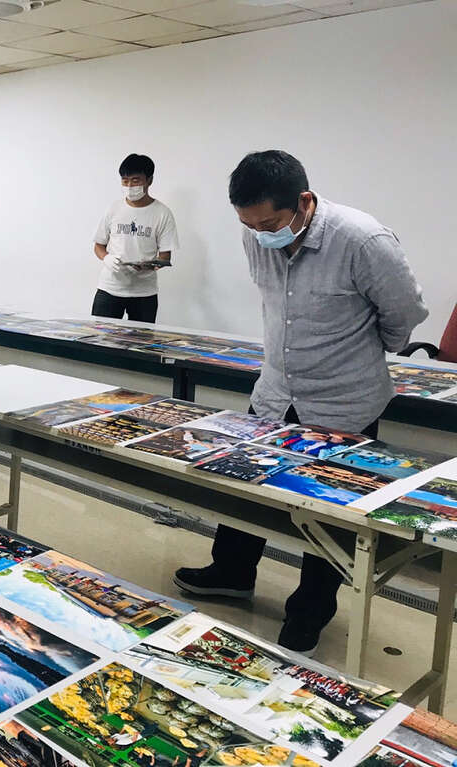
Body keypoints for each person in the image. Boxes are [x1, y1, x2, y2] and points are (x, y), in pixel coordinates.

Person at [174, 150, 428, 654]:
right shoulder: (257, 233)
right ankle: (231, 573)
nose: (260, 234)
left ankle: (309, 614)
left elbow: (405, 316)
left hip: (343, 402)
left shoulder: (363, 240)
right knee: (245, 487)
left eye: (269, 224)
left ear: (304, 202)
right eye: (249, 225)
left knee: (328, 512)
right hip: (275, 393)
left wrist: (354, 353)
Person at [92, 154, 178, 323]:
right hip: (110, 287)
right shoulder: (113, 208)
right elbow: (98, 245)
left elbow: (165, 257)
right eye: (125, 181)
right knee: (100, 336)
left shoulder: (162, 213)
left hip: (144, 293)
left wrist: (149, 265)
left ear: (149, 180)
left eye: (135, 180)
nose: (130, 186)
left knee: (141, 338)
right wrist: (107, 258)